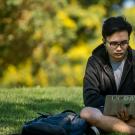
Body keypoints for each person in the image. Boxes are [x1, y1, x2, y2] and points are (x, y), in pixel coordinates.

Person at [80, 16, 135, 135]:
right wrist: (117, 107)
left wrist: (127, 108)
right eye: (114, 43)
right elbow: (90, 98)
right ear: (104, 41)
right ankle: (130, 130)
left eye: (124, 43)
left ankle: (101, 128)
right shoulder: (94, 62)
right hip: (104, 110)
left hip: (132, 112)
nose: (119, 48)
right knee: (86, 112)